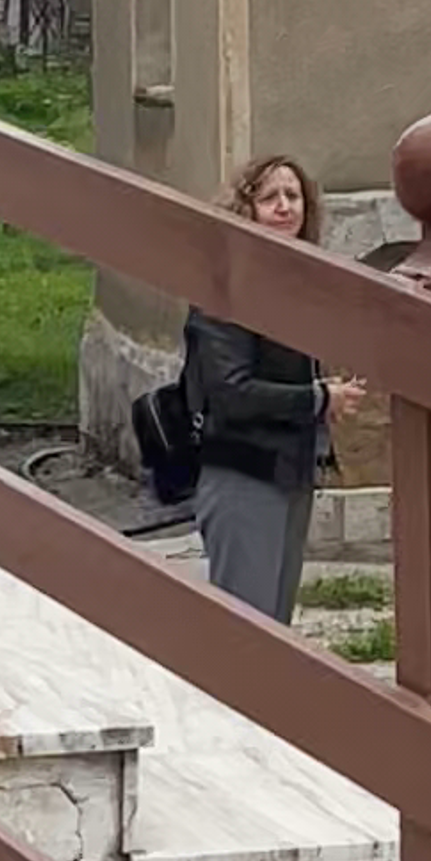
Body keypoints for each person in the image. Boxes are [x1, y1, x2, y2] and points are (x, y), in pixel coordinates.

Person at [131, 146, 340, 620]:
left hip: (293, 470)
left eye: (294, 195)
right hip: (243, 473)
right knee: (250, 627)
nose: (285, 207)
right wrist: (320, 398)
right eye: (270, 198)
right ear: (245, 210)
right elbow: (231, 392)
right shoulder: (225, 287)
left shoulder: (303, 282)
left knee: (278, 629)